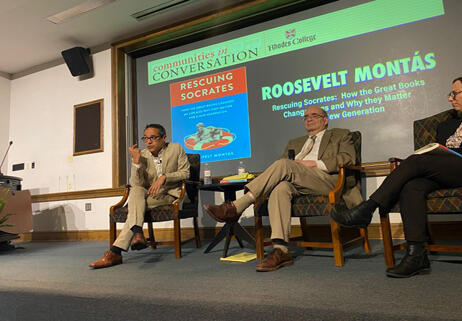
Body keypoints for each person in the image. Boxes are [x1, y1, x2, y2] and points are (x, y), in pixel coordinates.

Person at [204, 105, 362, 272]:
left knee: (284, 164)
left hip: (326, 181)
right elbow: (281, 170)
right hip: (297, 182)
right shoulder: (295, 142)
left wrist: (314, 163)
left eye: (314, 115)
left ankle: (237, 206)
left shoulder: (340, 135)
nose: (309, 119)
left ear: (325, 120)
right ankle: (281, 250)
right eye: (306, 116)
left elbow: (348, 158)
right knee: (280, 188)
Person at [331, 77, 462, 278]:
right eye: (450, 94)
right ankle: (417, 254)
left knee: (416, 161)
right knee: (412, 186)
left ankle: (367, 208)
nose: (450, 98)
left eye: (455, 94)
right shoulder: (445, 125)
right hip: (446, 170)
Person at [89, 124, 190, 269]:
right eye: (146, 138)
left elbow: (186, 172)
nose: (148, 142)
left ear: (163, 138)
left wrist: (164, 177)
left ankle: (116, 251)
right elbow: (136, 183)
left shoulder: (175, 148)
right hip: (151, 194)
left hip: (171, 193)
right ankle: (136, 233)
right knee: (136, 191)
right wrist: (136, 162)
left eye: (153, 138)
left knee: (135, 208)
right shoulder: (142, 154)